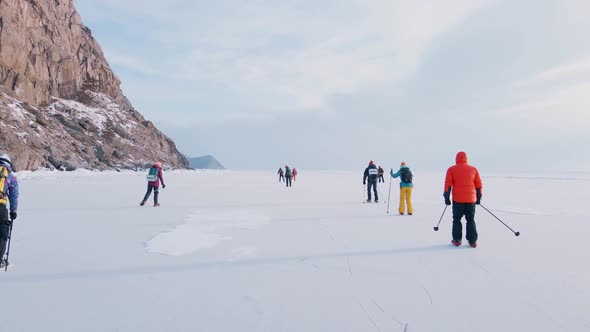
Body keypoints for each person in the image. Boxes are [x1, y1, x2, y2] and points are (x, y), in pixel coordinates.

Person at [444, 151, 483, 248]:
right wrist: (478, 198)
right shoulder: (473, 169)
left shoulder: (451, 169)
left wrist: (446, 197)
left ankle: (457, 240)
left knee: (457, 219)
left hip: (458, 200)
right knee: (470, 219)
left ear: (456, 158)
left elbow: (448, 185)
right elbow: (479, 185)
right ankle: (473, 241)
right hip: (471, 200)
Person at [0, 153, 19, 268]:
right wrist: (13, 211)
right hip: (1, 208)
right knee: (2, 233)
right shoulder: (10, 177)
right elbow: (13, 195)